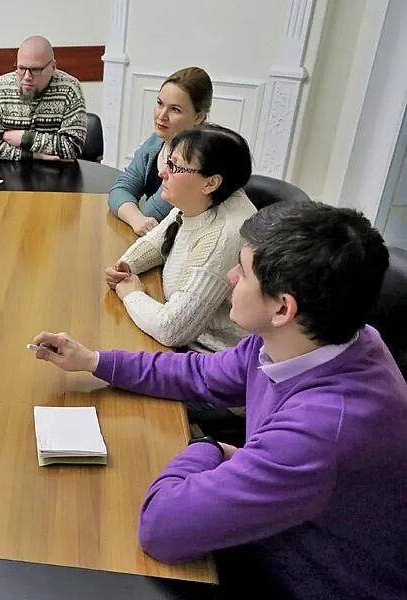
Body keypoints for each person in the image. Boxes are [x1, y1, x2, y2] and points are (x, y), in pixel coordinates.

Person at [32, 201, 407, 599]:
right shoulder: (315, 338)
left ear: (282, 307)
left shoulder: (323, 430)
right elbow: (201, 374)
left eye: (242, 271)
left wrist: (208, 448)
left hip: (305, 578)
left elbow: (162, 529)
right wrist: (94, 361)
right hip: (277, 526)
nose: (229, 276)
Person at [106, 124, 255, 352]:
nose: (162, 172)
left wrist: (132, 293)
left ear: (211, 183)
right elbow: (157, 241)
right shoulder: (198, 200)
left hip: (208, 358)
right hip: (177, 332)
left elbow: (172, 330)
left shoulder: (223, 235)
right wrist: (126, 266)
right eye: (168, 161)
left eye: (175, 167)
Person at [110, 67, 212, 236]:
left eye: (175, 109)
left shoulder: (196, 160)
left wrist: (136, 217)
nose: (161, 116)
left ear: (198, 117)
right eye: (160, 103)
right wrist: (136, 219)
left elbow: (151, 213)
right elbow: (120, 189)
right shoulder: (157, 141)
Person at [0, 35, 87, 161]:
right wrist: (35, 156)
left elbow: (72, 147)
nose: (27, 77)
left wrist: (24, 138)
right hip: (7, 173)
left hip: (57, 174)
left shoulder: (70, 89)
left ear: (53, 67)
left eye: (35, 70)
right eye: (21, 68)